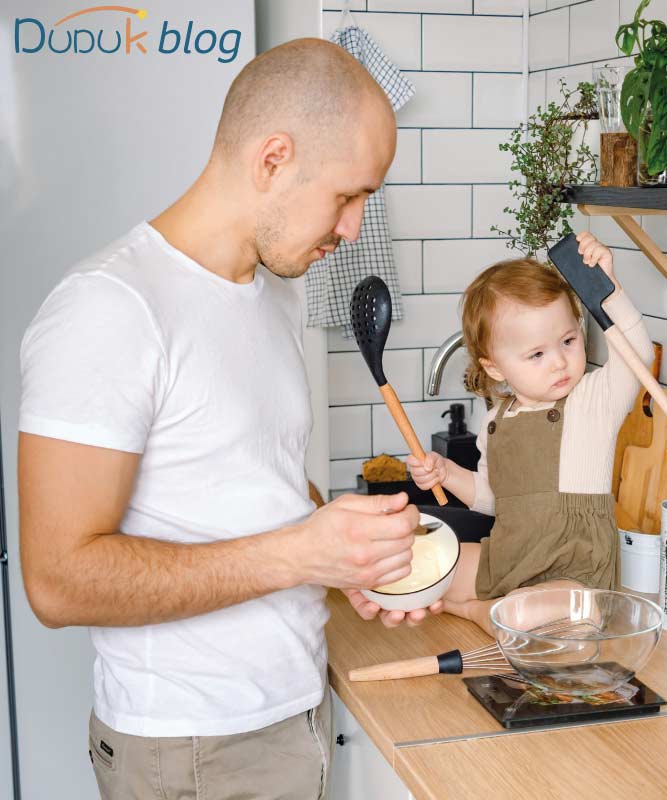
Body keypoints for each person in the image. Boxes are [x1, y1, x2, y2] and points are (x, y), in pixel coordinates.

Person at [17, 39, 440, 800]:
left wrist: (344, 558)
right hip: (188, 747)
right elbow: (57, 579)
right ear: (273, 159)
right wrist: (301, 556)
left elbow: (255, 476)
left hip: (291, 713)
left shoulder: (272, 293)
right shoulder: (110, 309)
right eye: (349, 195)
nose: (352, 230)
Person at [407, 232, 652, 635]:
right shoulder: (496, 420)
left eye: (569, 341)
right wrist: (447, 474)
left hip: (573, 570)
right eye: (537, 354)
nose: (559, 362)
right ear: (495, 368)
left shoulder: (592, 400)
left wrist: (606, 291)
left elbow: (637, 356)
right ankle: (487, 608)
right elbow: (492, 499)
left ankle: (476, 611)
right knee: (419, 561)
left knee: (537, 612)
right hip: (508, 559)